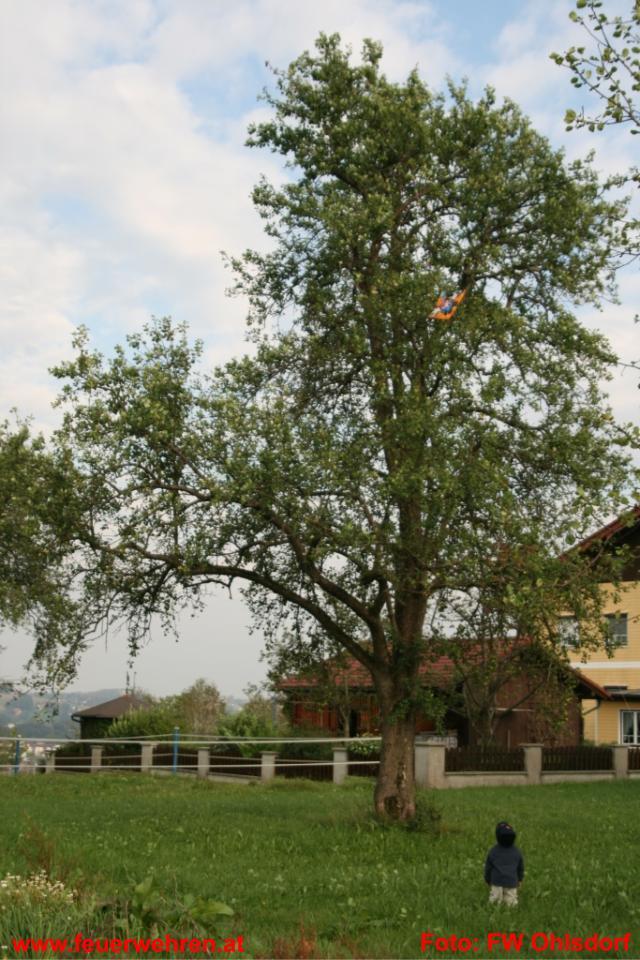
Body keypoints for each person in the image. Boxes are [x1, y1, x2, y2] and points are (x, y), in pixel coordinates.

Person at [484, 821, 524, 906]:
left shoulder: (493, 851)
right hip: (511, 881)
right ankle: (510, 911)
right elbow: (520, 867)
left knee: (495, 901)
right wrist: (520, 879)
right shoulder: (517, 852)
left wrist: (487, 879)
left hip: (496, 881)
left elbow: (488, 867)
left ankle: (494, 912)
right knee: (511, 902)